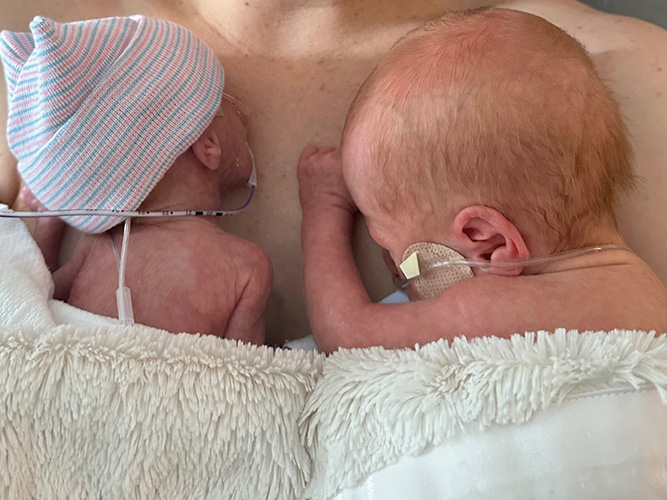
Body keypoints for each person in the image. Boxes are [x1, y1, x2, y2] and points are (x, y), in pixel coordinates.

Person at [0, 0, 664, 344]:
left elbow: (346, 338)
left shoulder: (633, 77)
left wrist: (326, 216)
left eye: (399, 261)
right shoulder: (39, 90)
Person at [297, 8, 667, 353]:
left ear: (487, 243)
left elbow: (347, 334)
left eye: (407, 260)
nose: (393, 269)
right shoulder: (648, 292)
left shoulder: (491, 307)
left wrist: (323, 211)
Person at [0, 16, 272, 343]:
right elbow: (251, 377)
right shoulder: (245, 267)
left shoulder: (97, 248)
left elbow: (36, 300)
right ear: (208, 146)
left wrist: (49, 225)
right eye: (227, 102)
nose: (243, 115)